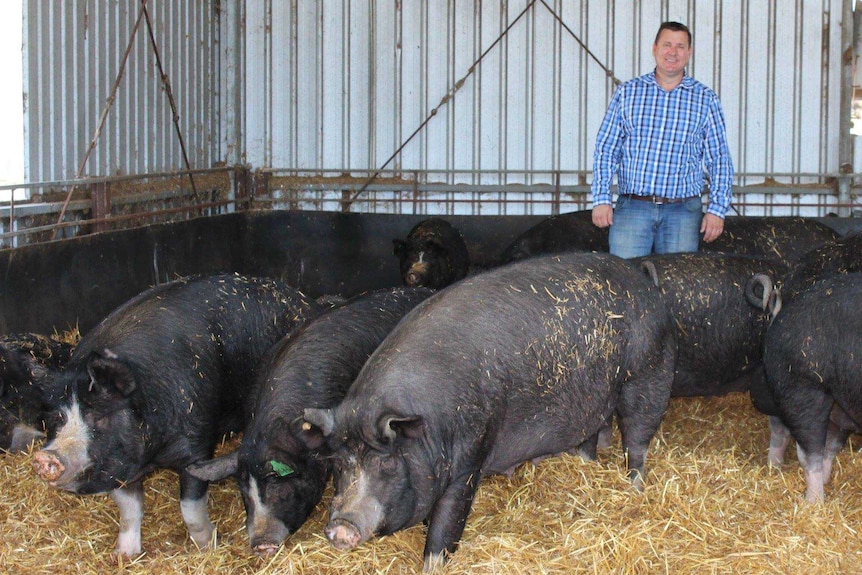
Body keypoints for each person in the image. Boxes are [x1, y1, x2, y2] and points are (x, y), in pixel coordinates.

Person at [590, 21, 733, 258]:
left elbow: (719, 158)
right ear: (655, 48)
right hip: (634, 208)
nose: (672, 52)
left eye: (680, 46)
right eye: (667, 44)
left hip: (683, 212)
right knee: (627, 280)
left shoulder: (706, 99)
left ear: (689, 52)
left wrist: (717, 210)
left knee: (677, 286)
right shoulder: (628, 93)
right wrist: (601, 198)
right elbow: (606, 149)